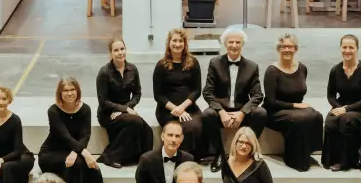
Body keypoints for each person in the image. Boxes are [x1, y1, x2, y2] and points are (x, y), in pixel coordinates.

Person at [39, 77, 107, 183]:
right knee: (76, 165)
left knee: (92, 168)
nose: (69, 93)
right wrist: (85, 153)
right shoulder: (53, 110)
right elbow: (65, 136)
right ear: (60, 93)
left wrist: (77, 153)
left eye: (72, 90)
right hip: (52, 152)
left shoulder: (85, 109)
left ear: (77, 91)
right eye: (65, 90)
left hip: (73, 150)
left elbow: (85, 135)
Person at [201, 27, 267, 171]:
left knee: (261, 113)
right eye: (231, 42)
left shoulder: (252, 66)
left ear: (242, 44)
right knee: (207, 115)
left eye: (238, 42)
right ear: (225, 44)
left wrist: (242, 112)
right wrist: (221, 111)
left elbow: (257, 95)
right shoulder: (215, 63)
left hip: (241, 110)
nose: (234, 46)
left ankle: (249, 151)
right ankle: (219, 153)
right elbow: (207, 92)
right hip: (221, 110)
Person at [263, 33, 323, 172]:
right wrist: (295, 105)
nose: (287, 50)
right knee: (300, 118)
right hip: (274, 111)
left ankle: (307, 152)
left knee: (317, 116)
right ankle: (293, 157)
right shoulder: (272, 71)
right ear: (278, 49)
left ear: (295, 49)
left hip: (295, 110)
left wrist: (297, 106)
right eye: (283, 47)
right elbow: (270, 101)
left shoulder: (302, 68)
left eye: (290, 46)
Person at [322, 34, 361, 171]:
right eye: (344, 47)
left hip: (360, 107)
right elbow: (331, 96)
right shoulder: (335, 70)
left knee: (347, 121)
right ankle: (331, 159)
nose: (347, 50)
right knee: (330, 121)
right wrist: (339, 108)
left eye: (351, 47)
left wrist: (346, 109)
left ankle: (346, 161)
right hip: (341, 105)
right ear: (340, 48)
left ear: (357, 49)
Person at [96, 38, 151, 167]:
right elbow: (103, 101)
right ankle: (110, 156)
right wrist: (124, 110)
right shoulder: (104, 72)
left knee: (146, 129)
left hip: (125, 110)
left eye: (122, 49)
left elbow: (137, 94)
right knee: (136, 122)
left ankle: (143, 157)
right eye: (116, 50)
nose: (120, 52)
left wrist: (124, 108)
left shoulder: (133, 69)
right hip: (107, 113)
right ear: (110, 53)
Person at [152, 27, 205, 158]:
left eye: (181, 41)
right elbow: (158, 95)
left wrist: (182, 107)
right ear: (169, 43)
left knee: (198, 124)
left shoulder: (193, 63)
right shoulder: (161, 65)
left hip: (188, 107)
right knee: (186, 128)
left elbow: (197, 90)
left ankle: (193, 157)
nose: (177, 44)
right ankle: (182, 159)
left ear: (185, 44)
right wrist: (176, 109)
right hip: (168, 110)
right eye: (174, 41)